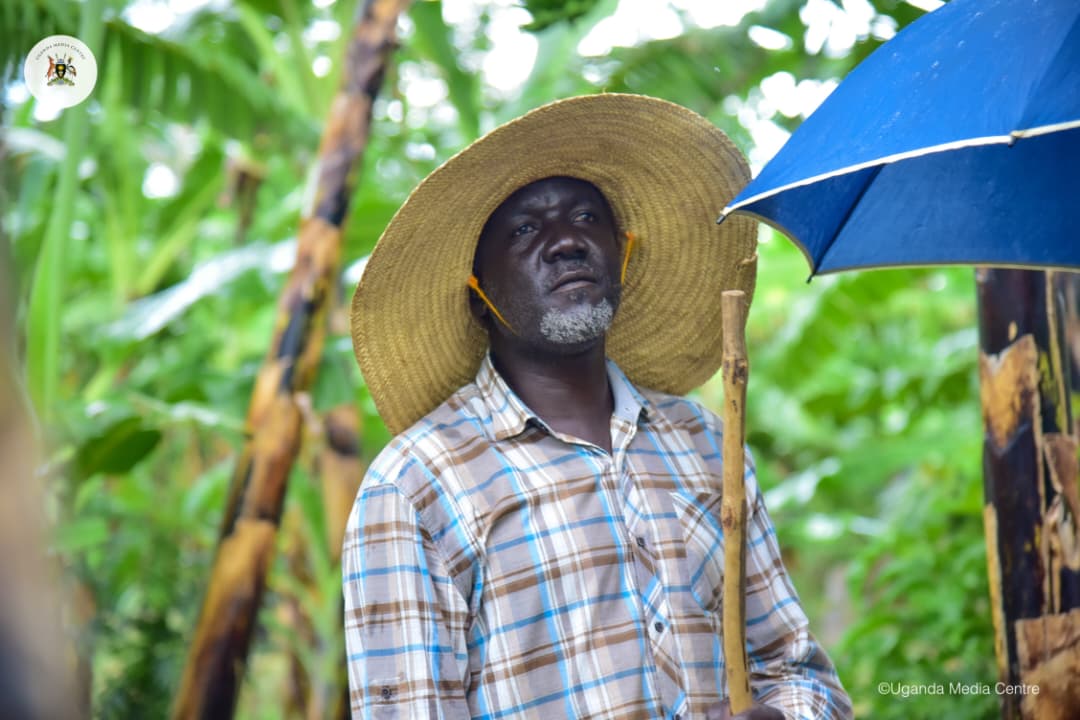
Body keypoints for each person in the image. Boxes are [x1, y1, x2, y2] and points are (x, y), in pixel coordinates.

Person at [344, 94, 852, 720]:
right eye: (526, 229)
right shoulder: (417, 485)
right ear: (479, 297)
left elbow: (798, 673)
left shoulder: (702, 443)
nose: (566, 243)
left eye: (587, 218)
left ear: (623, 255)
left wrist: (776, 716)